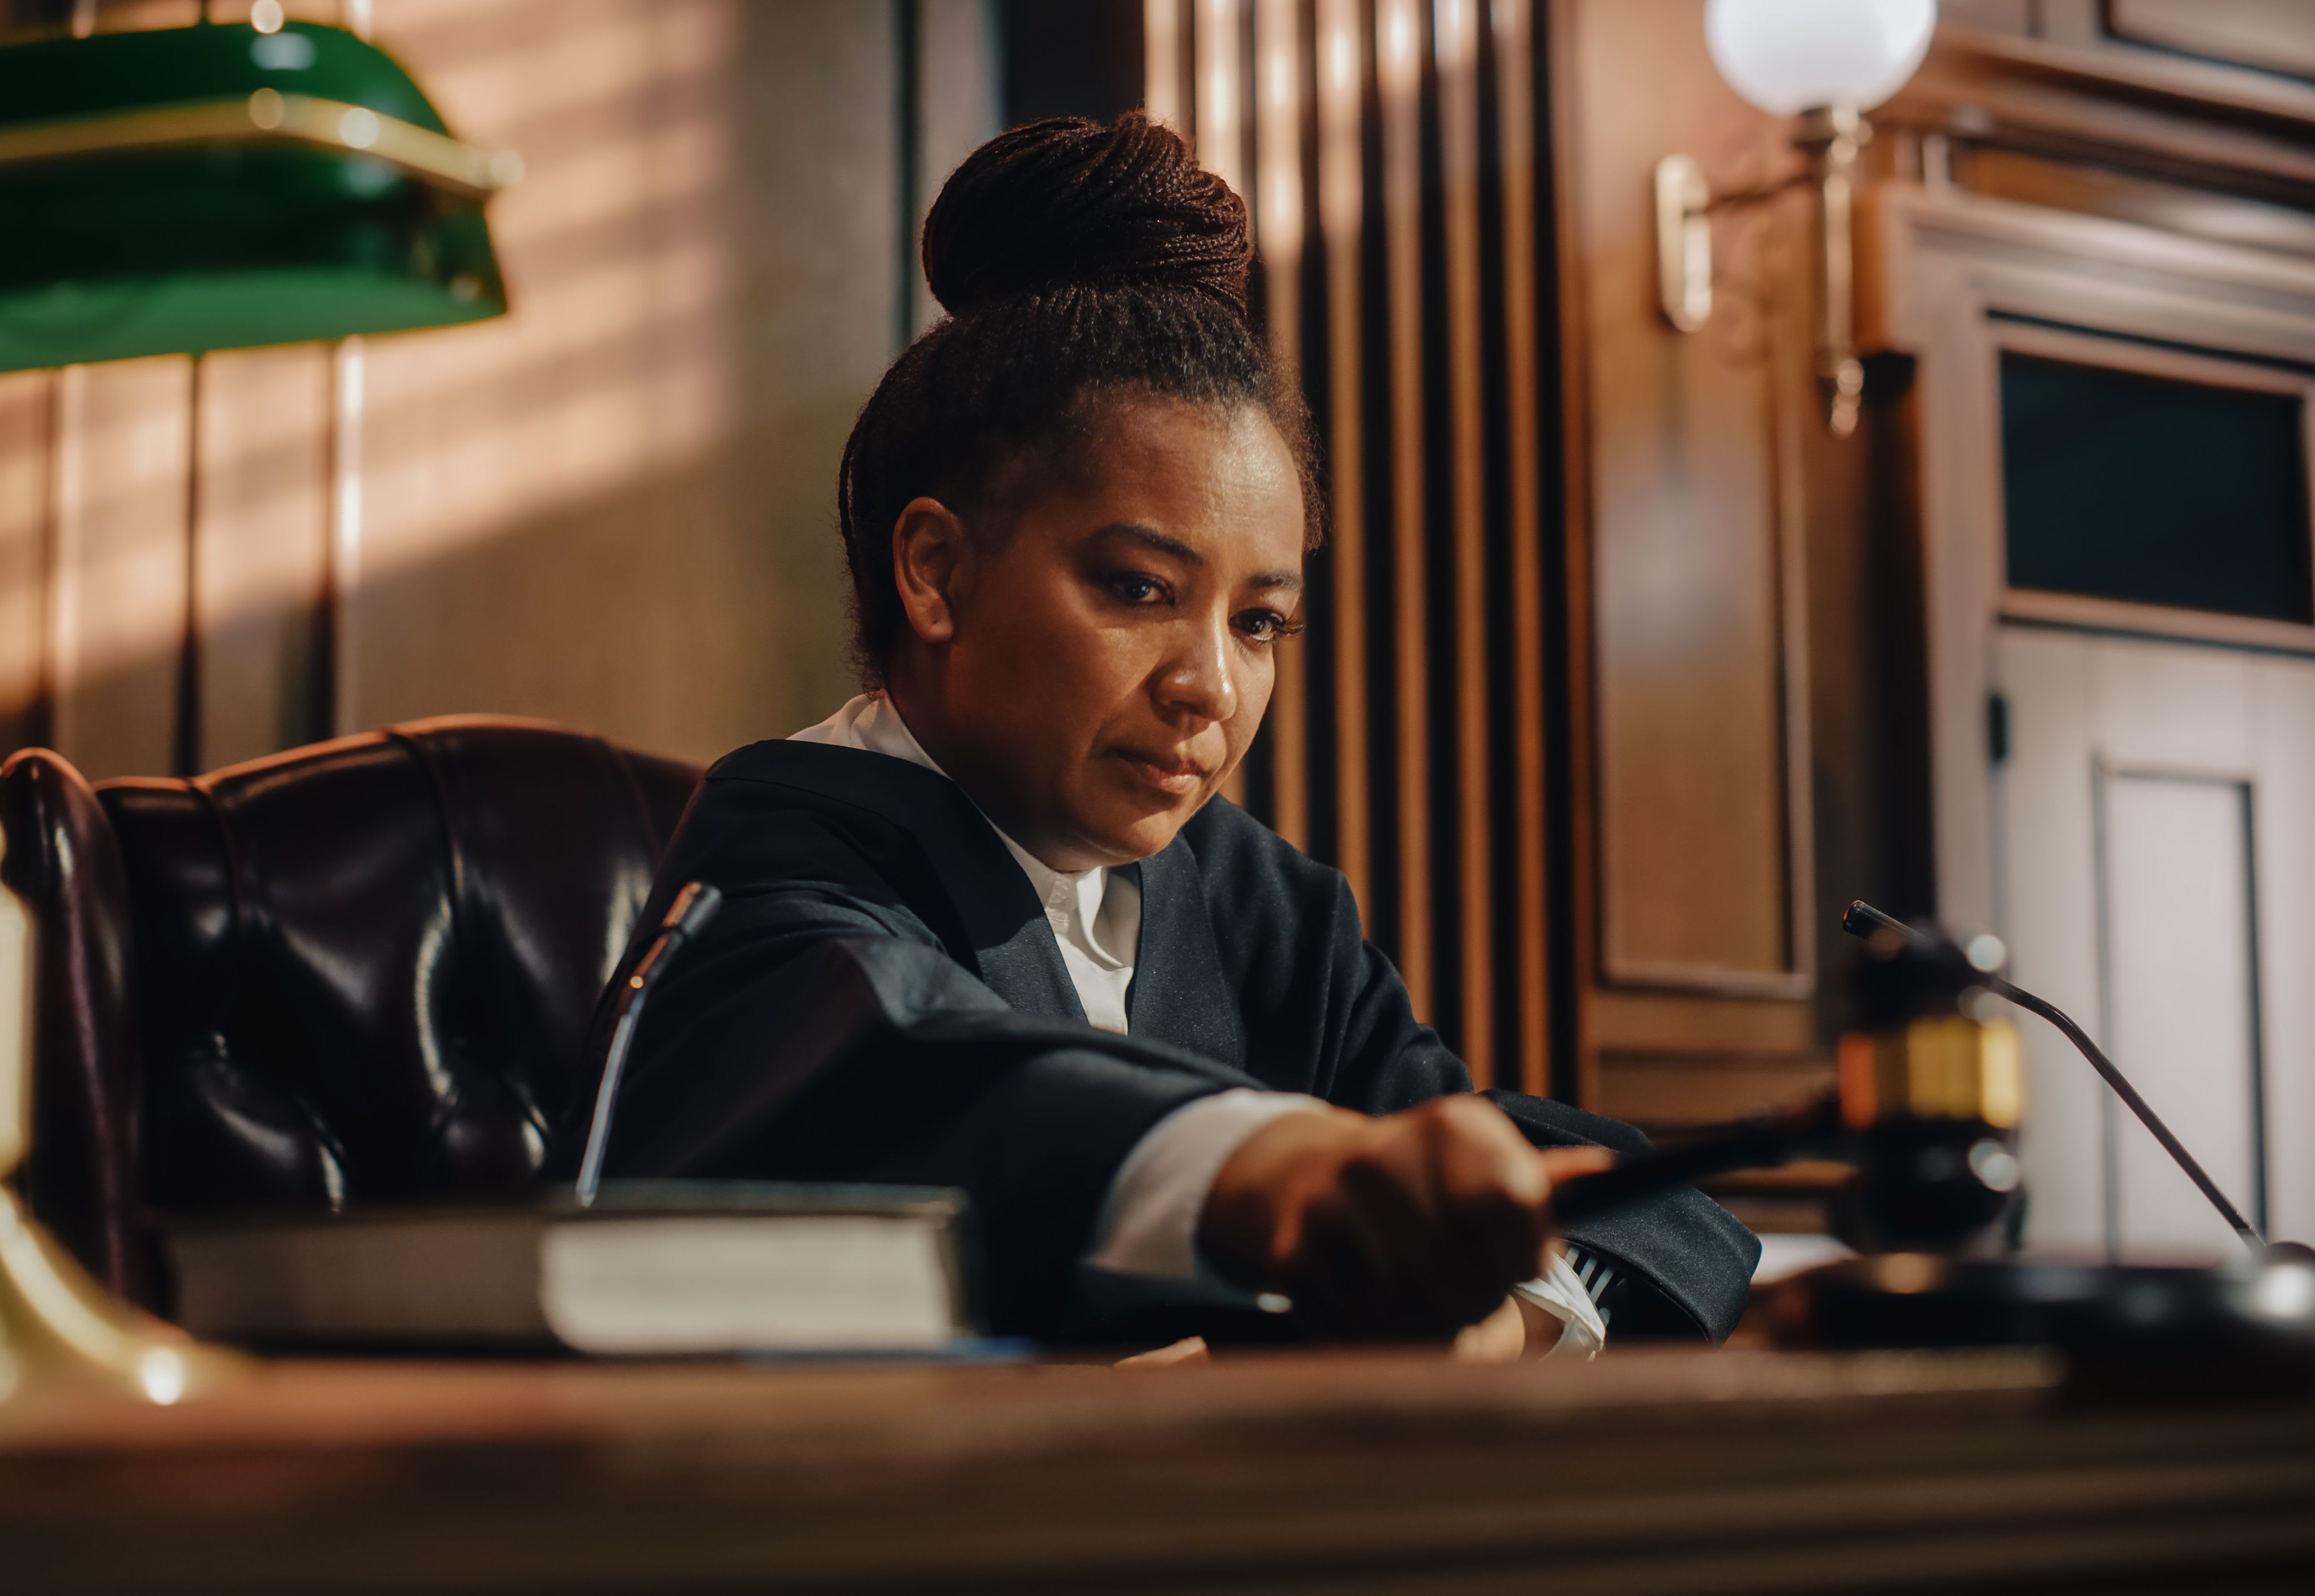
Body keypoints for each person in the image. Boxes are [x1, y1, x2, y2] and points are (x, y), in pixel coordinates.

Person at [575, 113, 1757, 1351]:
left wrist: (1503, 1308)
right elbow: (913, 1076)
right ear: (934, 571)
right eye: (1139, 588)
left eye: (1259, 624)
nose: (1209, 688)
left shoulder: (1265, 903)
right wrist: (1273, 1171)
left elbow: (1462, 1140)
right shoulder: (776, 849)